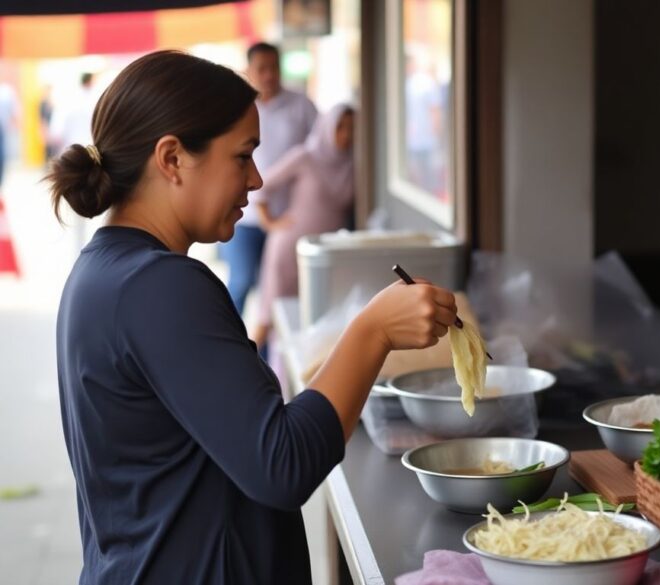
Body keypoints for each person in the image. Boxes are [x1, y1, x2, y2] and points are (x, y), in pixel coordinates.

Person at [46, 50, 458, 585]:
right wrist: (372, 329)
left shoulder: (105, 273)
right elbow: (282, 465)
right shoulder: (159, 286)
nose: (258, 179)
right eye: (243, 156)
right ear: (172, 159)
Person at [220, 42, 318, 317]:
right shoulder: (235, 110)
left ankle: (264, 357)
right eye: (261, 69)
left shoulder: (302, 105)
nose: (269, 75)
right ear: (248, 70)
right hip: (242, 214)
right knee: (240, 281)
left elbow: (320, 153)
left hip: (289, 217)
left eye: (274, 67)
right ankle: (231, 342)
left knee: (275, 290)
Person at [252, 104, 356, 350]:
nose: (346, 134)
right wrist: (271, 222)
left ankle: (284, 384)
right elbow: (262, 186)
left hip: (325, 257)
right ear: (327, 126)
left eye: (352, 128)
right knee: (268, 323)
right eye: (340, 127)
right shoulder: (305, 156)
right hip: (289, 250)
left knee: (312, 324)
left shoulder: (354, 164)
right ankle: (235, 380)